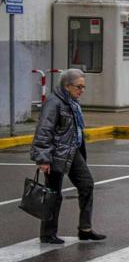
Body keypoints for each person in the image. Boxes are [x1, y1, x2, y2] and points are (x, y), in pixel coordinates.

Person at [30, 69, 106, 244]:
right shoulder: (54, 103)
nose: (82, 90)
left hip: (73, 151)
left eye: (83, 87)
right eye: (79, 87)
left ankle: (85, 229)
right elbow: (44, 130)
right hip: (56, 154)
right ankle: (48, 234)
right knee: (53, 193)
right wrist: (43, 158)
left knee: (87, 184)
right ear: (67, 86)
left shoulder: (71, 102)